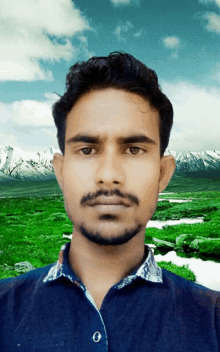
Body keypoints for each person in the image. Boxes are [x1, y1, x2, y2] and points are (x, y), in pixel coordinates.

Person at [0, 51, 219, 352]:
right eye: (87, 150)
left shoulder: (213, 319)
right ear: (61, 173)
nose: (109, 175)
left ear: (163, 173)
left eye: (134, 149)